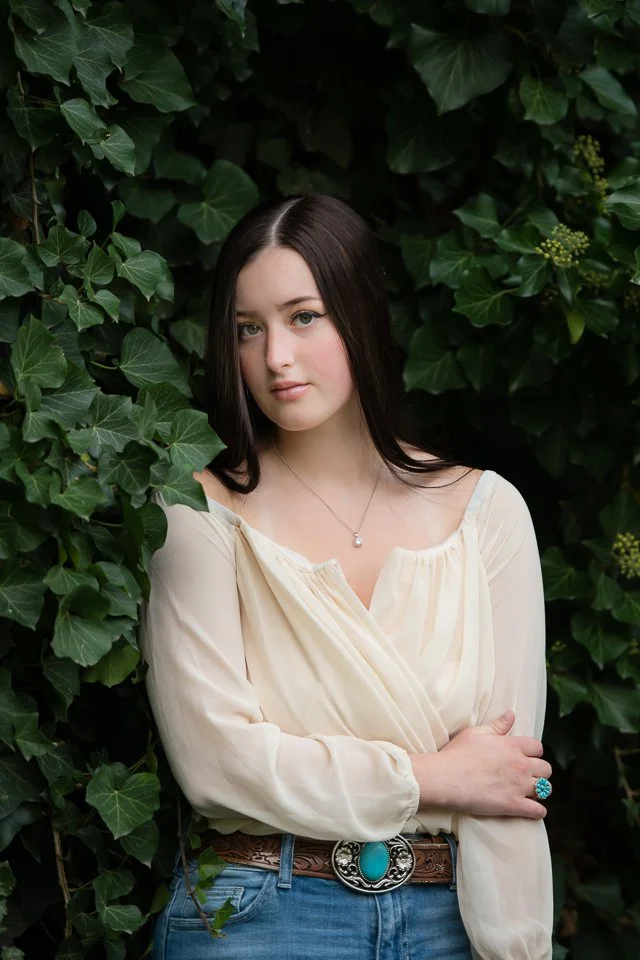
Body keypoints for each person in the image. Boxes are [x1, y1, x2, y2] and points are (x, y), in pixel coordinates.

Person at [139, 194, 554, 960]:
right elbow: (218, 768)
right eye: (248, 329)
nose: (276, 359)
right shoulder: (197, 515)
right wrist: (432, 778)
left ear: (360, 313)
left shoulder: (487, 513)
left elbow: (504, 779)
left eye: (304, 316)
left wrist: (516, 945)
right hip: (262, 912)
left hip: (452, 921)